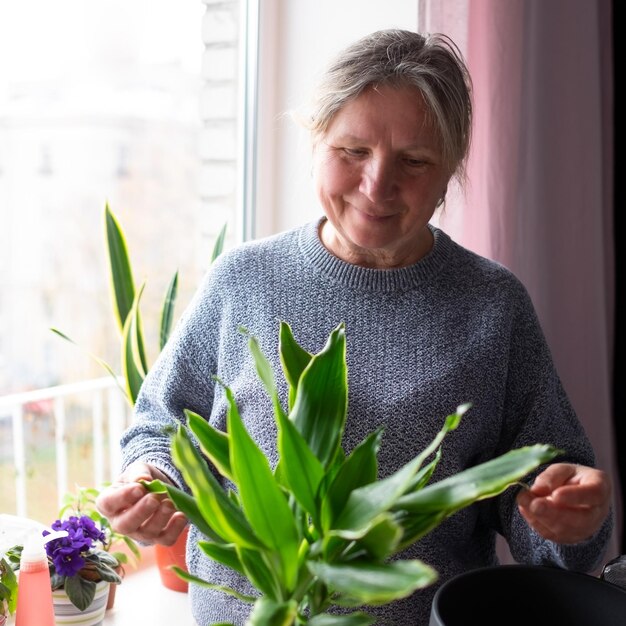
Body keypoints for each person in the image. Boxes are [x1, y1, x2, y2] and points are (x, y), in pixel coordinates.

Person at [96, 29, 613, 624]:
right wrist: (151, 480)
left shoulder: (494, 306)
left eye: (414, 161)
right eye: (352, 151)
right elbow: (160, 423)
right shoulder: (244, 279)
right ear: (316, 141)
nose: (377, 185)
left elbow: (550, 525)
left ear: (449, 173)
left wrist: (572, 520)